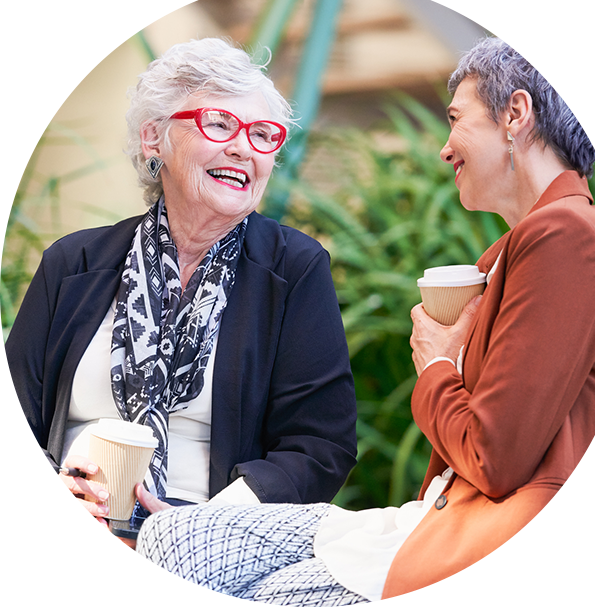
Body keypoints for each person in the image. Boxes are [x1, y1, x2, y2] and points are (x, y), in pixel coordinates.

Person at [126, 26, 595, 607]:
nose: (446, 147)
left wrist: (438, 366)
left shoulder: (568, 235)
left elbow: (496, 455)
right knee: (176, 538)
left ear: (516, 113)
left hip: (515, 551)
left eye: (456, 118)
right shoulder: (542, 239)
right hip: (448, 527)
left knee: (256, 588)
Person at [0, 37, 357, 605]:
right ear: (154, 139)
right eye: (220, 124)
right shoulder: (74, 264)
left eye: (264, 135)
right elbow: (5, 424)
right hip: (57, 543)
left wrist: (199, 530)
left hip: (209, 545)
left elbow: (319, 447)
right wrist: (46, 499)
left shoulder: (293, 269)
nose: (245, 148)